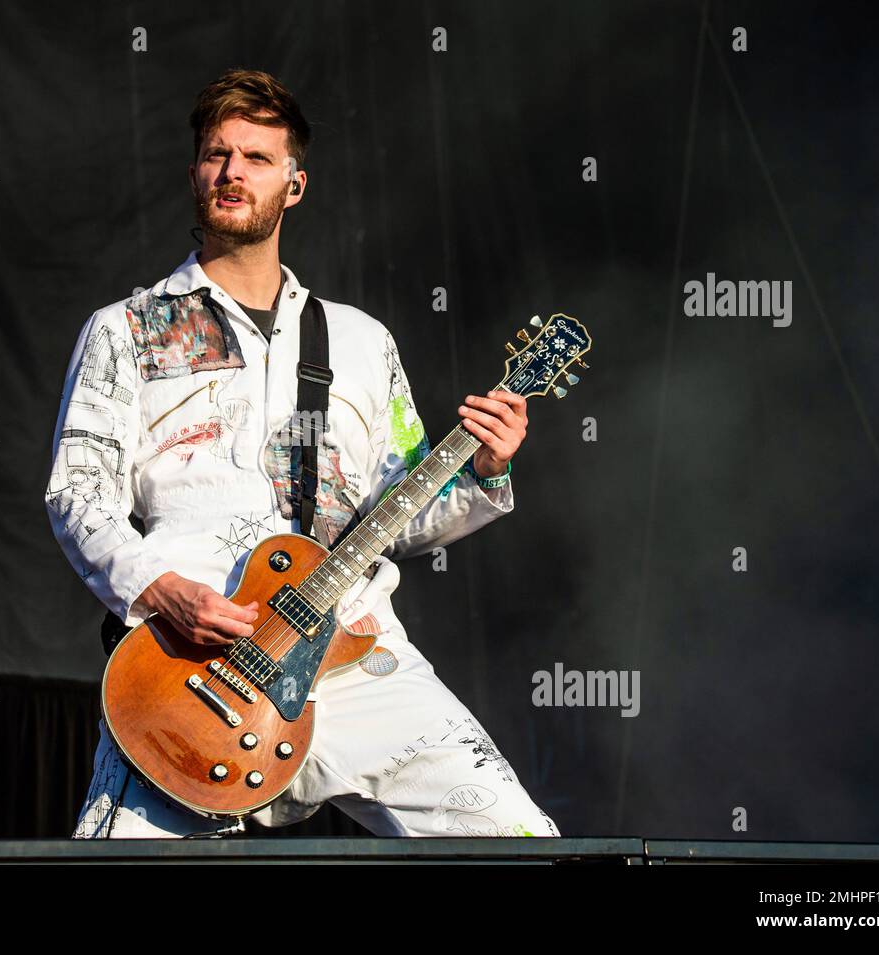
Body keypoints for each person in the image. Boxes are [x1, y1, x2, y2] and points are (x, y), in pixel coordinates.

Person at [46, 68, 559, 839]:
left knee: (520, 843)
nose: (232, 172)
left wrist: (486, 469)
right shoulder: (127, 329)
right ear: (194, 174)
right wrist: (161, 590)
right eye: (217, 154)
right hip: (192, 668)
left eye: (256, 157)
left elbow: (402, 514)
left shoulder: (360, 342)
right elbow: (77, 493)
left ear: (294, 184)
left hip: (355, 653)